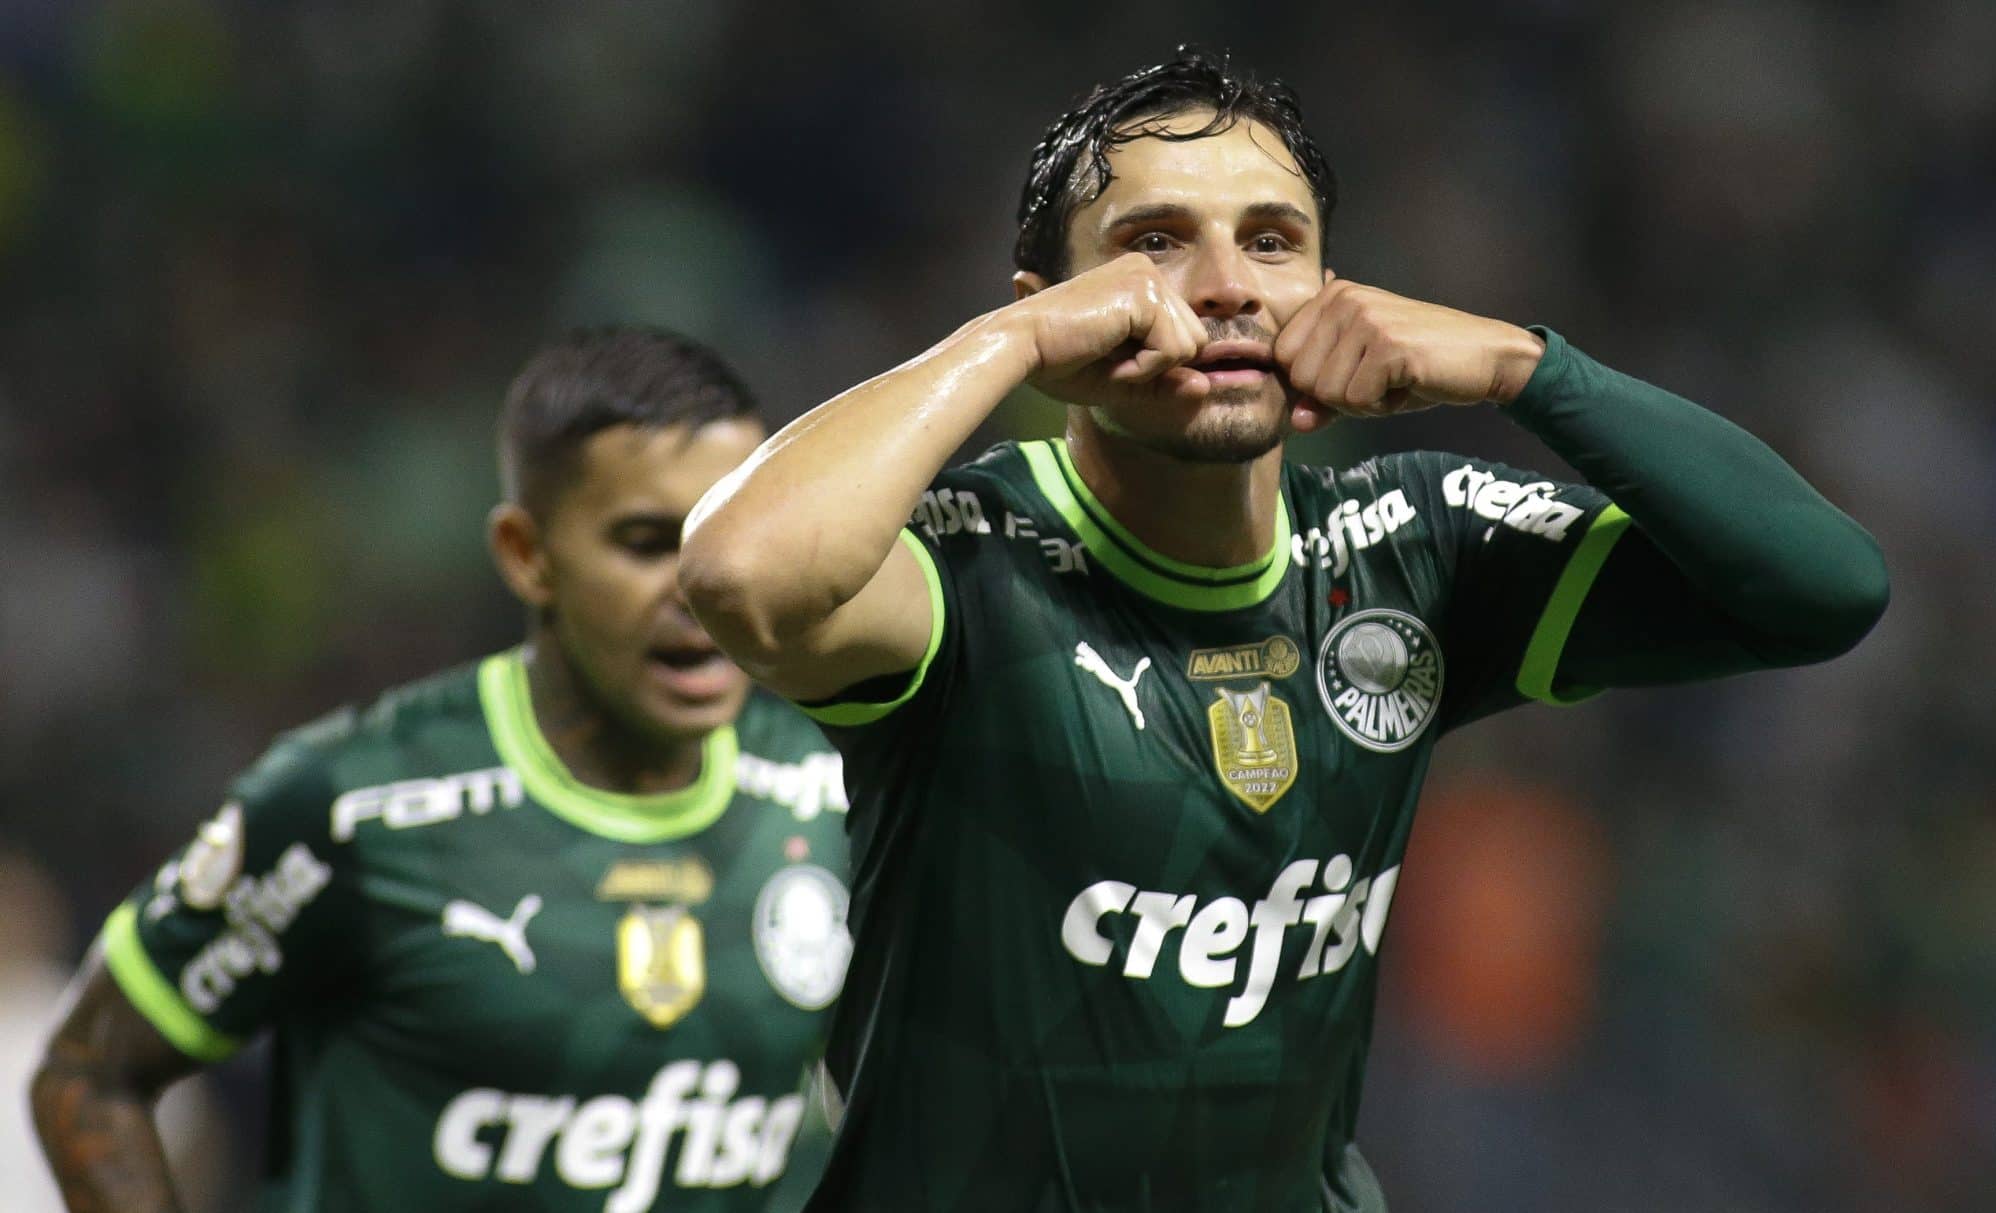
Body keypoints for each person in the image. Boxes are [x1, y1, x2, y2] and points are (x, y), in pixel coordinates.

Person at [676, 49, 1889, 1213]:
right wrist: (1005, 347)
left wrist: (1528, 367)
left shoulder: (1409, 544)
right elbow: (741, 572)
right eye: (1152, 244)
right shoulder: (968, 553)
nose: (1223, 284)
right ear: (1062, 305)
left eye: (1271, 240)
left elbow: (1821, 586)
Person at [30, 327, 854, 1213]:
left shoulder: (838, 791)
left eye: (733, 535)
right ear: (526, 555)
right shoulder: (355, 802)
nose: (703, 584)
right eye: (648, 541)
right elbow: (88, 1073)